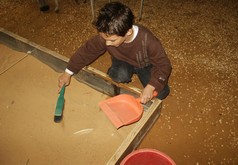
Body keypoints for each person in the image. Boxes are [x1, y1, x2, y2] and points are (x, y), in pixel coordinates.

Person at [58, 2, 172, 104]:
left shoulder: (148, 40)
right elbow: (87, 51)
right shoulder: (108, 34)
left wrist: (151, 86)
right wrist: (68, 73)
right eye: (105, 39)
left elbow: (164, 65)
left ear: (128, 32)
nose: (107, 44)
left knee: (161, 92)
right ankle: (120, 70)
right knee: (118, 75)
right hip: (122, 59)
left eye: (112, 40)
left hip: (144, 64)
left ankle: (142, 77)